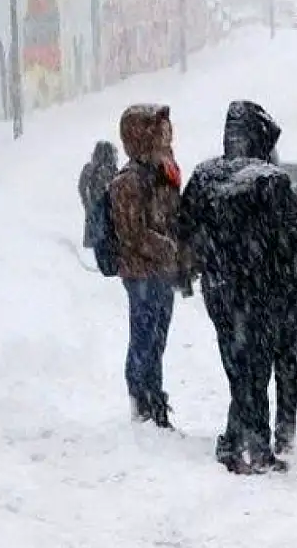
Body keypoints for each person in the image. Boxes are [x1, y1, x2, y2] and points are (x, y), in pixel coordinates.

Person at [178, 100, 297, 474]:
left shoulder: (205, 177)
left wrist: (205, 263)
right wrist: (283, 269)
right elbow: (291, 239)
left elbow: (185, 229)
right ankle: (255, 445)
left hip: (220, 286)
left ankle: (235, 439)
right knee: (257, 366)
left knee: (236, 363)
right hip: (261, 289)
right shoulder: (272, 182)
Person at [108, 103, 188, 429]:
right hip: (141, 272)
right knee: (144, 337)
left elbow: (172, 218)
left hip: (161, 272)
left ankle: (154, 398)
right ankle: (143, 402)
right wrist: (168, 248)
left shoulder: (163, 173)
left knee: (157, 338)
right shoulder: (129, 181)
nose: (166, 140)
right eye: (159, 133)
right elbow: (133, 233)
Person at [78, 141, 119, 248]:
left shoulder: (109, 170)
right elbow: (82, 187)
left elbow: (82, 187)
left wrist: (86, 202)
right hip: (101, 208)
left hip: (101, 209)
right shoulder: (110, 171)